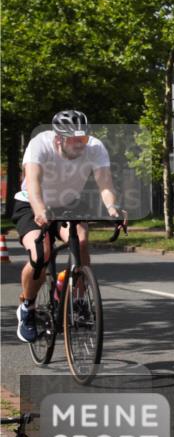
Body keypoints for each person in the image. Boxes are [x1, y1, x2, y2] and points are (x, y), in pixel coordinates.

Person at [12, 110, 127, 343]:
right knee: (41, 253)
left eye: (83, 138)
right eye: (74, 139)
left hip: (68, 203)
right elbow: (33, 182)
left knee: (81, 241)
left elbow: (105, 184)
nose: (80, 144)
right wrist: (40, 210)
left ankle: (79, 300)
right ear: (58, 139)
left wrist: (112, 208)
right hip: (31, 203)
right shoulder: (39, 144)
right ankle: (27, 307)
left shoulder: (95, 147)